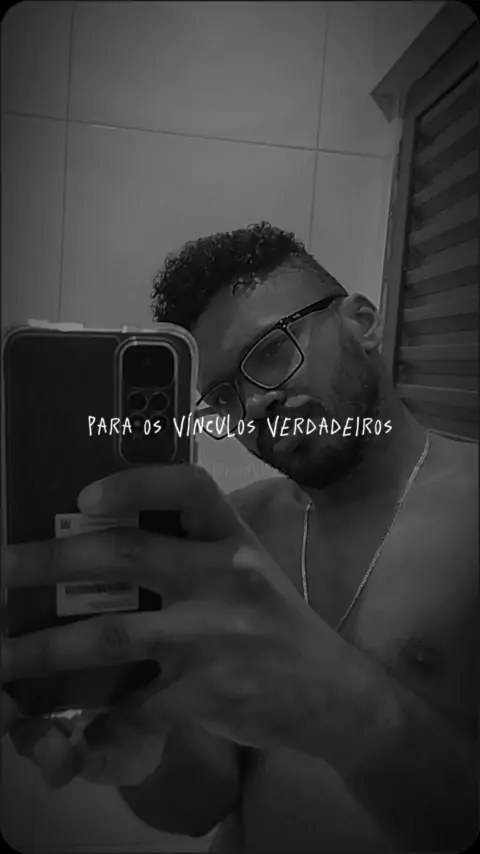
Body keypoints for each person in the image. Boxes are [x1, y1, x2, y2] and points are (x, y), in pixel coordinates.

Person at [2, 222, 478, 854]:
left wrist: (344, 706)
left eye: (271, 352)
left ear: (362, 323)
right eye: (225, 396)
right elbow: (204, 802)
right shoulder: (237, 535)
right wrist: (146, 753)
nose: (254, 406)